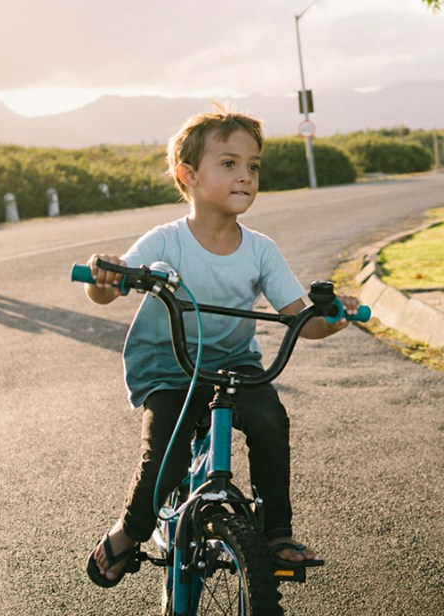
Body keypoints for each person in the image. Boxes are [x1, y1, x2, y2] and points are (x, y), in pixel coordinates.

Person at [82, 107, 361, 588]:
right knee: (164, 459)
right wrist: (105, 274)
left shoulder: (260, 249)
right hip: (170, 370)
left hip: (234, 367)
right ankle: (128, 532)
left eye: (253, 166)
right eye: (229, 163)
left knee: (271, 419)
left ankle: (276, 534)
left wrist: (333, 318)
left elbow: (301, 320)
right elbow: (108, 288)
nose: (246, 176)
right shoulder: (166, 241)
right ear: (188, 176)